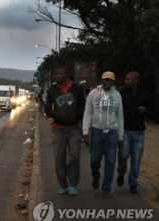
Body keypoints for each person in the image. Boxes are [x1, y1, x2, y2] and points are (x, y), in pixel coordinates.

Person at [44, 67, 86, 195]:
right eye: (56, 73)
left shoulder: (76, 88)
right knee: (59, 158)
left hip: (74, 128)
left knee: (74, 157)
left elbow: (82, 105)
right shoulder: (52, 90)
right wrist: (57, 115)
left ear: (66, 75)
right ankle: (63, 185)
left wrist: (76, 116)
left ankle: (73, 185)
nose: (58, 75)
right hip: (59, 129)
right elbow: (47, 108)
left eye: (60, 73)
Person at [83, 71, 124, 198]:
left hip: (112, 132)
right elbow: (88, 113)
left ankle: (106, 188)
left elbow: (120, 116)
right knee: (95, 159)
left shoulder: (117, 95)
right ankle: (96, 175)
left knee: (111, 161)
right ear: (101, 80)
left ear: (113, 82)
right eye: (105, 80)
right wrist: (85, 131)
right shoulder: (93, 93)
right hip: (97, 131)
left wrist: (120, 136)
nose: (107, 82)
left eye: (109, 80)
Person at [117, 71, 153, 193]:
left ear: (135, 80)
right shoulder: (121, 93)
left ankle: (133, 183)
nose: (125, 81)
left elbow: (153, 110)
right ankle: (121, 173)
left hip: (139, 131)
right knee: (123, 155)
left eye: (128, 79)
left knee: (136, 159)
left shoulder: (145, 94)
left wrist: (146, 110)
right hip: (125, 130)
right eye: (125, 79)